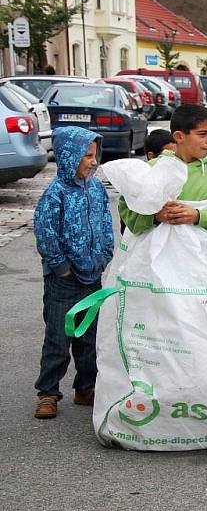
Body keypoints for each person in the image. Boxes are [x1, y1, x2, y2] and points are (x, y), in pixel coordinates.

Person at [32, 127, 114, 419]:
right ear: (69, 157)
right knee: (58, 336)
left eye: (94, 155)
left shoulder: (96, 188)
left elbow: (105, 223)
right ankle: (48, 392)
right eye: (86, 156)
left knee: (89, 336)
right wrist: (60, 266)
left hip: (92, 275)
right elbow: (46, 233)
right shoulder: (56, 193)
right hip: (63, 280)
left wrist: (105, 254)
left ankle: (86, 386)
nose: (93, 161)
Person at [119, 104, 207, 238]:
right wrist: (155, 217)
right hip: (158, 255)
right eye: (202, 134)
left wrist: (198, 216)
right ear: (179, 136)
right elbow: (128, 213)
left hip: (205, 255)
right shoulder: (153, 169)